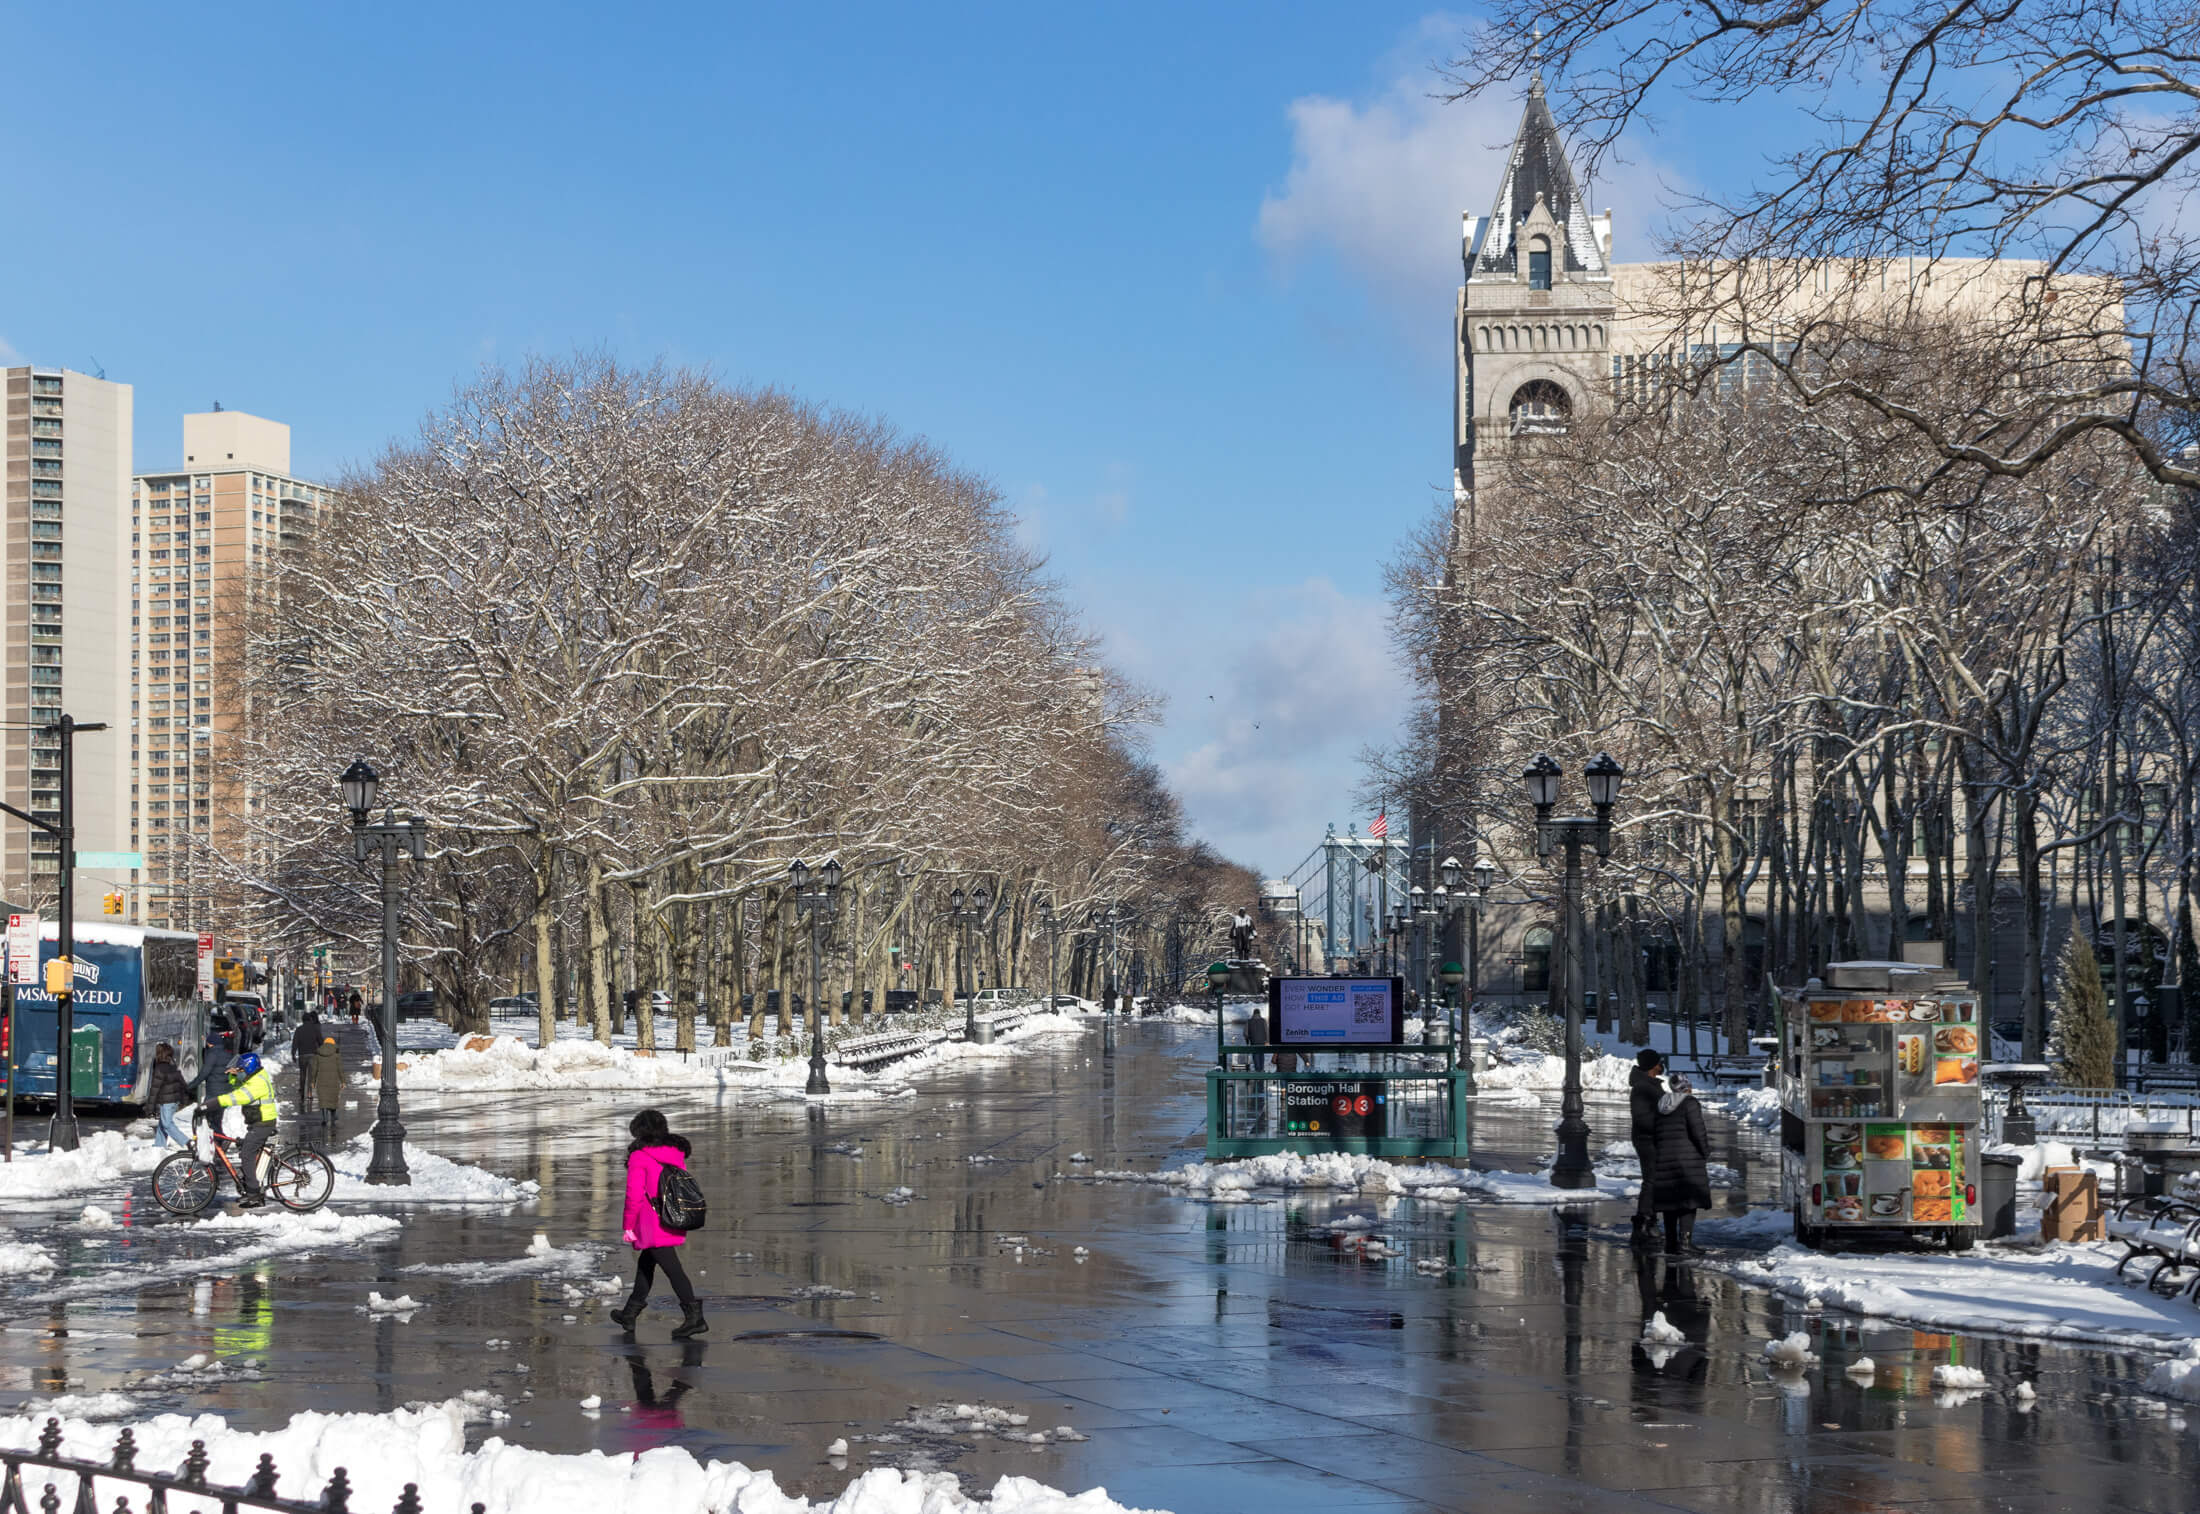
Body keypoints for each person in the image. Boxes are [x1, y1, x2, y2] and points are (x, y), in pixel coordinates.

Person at [611, 1108, 705, 1339]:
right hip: (669, 1216)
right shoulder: (674, 1151)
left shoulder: (639, 1157)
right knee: (646, 1264)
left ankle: (695, 1317)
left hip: (651, 1221)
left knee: (673, 1270)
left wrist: (628, 1226)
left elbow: (633, 1196)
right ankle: (630, 1313)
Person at [205, 1051, 280, 1208]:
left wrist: (213, 1103)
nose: (239, 1073)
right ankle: (251, 1185)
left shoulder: (257, 1082)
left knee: (247, 1154)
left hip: (263, 1124)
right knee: (246, 1148)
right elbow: (238, 1086)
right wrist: (233, 1075)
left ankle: (254, 1194)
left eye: (240, 1070)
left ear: (248, 1069)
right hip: (259, 1122)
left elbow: (239, 1096)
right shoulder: (253, 1077)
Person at [1651, 1069, 1712, 1255]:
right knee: (1688, 1202)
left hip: (1664, 1158)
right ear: (1686, 1087)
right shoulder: (1690, 1104)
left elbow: (1655, 1133)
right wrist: (1705, 1151)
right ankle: (1685, 1242)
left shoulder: (1661, 1104)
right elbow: (1697, 1131)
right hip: (1688, 1159)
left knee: (1670, 1202)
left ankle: (1671, 1243)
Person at [1628, 1049, 1665, 1247]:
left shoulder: (1649, 1085)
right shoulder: (1643, 1087)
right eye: (1659, 1062)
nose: (1662, 1065)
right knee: (1651, 1181)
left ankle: (1649, 1221)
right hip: (1647, 1139)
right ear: (1653, 1066)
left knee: (1655, 1181)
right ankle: (1643, 1223)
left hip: (1652, 1138)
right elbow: (1643, 1118)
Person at [147, 1043, 193, 1149]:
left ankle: (186, 1141)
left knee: (167, 1124)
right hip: (174, 1101)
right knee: (163, 1123)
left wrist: (150, 1108)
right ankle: (159, 1145)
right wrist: (183, 1099)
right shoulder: (173, 1067)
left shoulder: (159, 1069)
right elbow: (183, 1085)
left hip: (166, 1102)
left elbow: (154, 1089)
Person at [290, 1010, 323, 1110]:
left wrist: (293, 1054)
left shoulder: (299, 1029)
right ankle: (309, 1093)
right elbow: (320, 1041)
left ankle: (302, 1094)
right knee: (311, 1075)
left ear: (303, 1020)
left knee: (302, 1074)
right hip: (313, 1054)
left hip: (302, 1055)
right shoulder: (315, 1029)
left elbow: (295, 1042)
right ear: (310, 1019)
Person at [312, 1035, 344, 1135]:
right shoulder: (336, 1056)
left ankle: (325, 1118)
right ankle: (333, 1117)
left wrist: (313, 1081)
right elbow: (340, 1070)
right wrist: (343, 1081)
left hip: (321, 1082)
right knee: (333, 1099)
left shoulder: (318, 1055)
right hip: (334, 1082)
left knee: (323, 1100)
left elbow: (314, 1070)